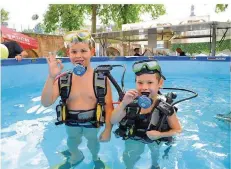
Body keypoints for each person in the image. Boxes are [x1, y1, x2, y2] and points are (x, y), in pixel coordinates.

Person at [41, 30, 114, 168]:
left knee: (93, 142)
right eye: (74, 52)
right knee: (72, 141)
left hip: (92, 122)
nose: (79, 56)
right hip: (71, 122)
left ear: (92, 52)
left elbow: (109, 107)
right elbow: (45, 103)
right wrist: (51, 77)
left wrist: (108, 130)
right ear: (68, 54)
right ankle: (76, 156)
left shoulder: (101, 80)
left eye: (83, 51)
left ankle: (95, 158)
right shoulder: (63, 79)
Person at [111, 59, 182, 169]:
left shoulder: (165, 107)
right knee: (128, 159)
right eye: (140, 83)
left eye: (150, 83)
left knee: (155, 155)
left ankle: (154, 165)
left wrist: (160, 135)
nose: (144, 87)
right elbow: (113, 121)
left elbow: (178, 130)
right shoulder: (129, 102)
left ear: (160, 84)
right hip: (133, 137)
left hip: (155, 139)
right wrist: (123, 103)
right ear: (135, 82)